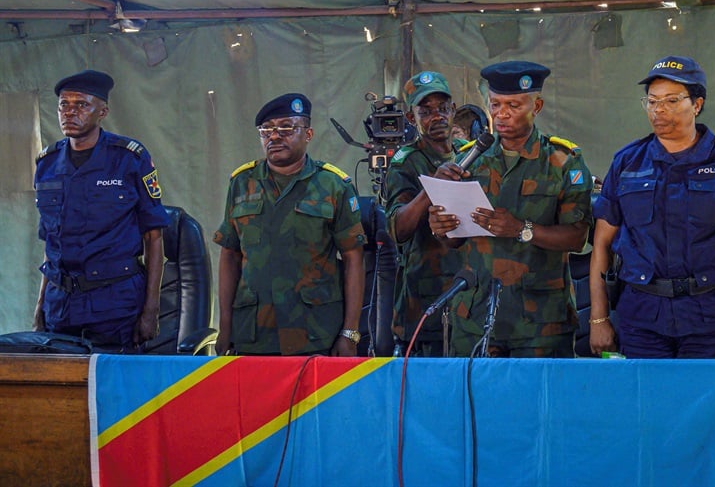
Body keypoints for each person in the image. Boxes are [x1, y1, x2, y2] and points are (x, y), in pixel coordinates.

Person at [588, 56, 715, 359]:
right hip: (641, 318)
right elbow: (602, 243)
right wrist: (598, 318)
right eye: (651, 101)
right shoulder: (627, 162)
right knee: (647, 405)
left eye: (672, 101)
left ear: (697, 104)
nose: (659, 110)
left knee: (707, 404)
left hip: (711, 318)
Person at [428, 61, 593, 357]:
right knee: (474, 401)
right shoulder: (470, 159)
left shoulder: (562, 161)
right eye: (495, 104)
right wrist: (441, 227)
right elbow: (454, 241)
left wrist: (522, 229)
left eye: (513, 105)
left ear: (537, 105)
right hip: (475, 316)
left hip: (540, 322)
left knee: (538, 402)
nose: (501, 114)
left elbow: (576, 238)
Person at [213, 93, 366, 356]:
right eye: (266, 130)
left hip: (316, 332)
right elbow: (230, 254)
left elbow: (354, 257)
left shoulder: (332, 185)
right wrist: (225, 325)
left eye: (286, 127)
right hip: (253, 333)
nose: (274, 136)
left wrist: (350, 333)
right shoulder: (241, 182)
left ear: (308, 134)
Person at [34, 70, 170, 352]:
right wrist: (40, 305)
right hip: (60, 304)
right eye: (64, 105)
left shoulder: (129, 158)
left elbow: (154, 238)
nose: (70, 112)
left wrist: (151, 311)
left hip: (114, 302)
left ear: (102, 112)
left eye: (81, 105)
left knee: (113, 388)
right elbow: (51, 242)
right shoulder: (47, 163)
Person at [385, 71, 467, 355]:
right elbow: (397, 229)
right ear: (411, 118)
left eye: (443, 109)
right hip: (427, 299)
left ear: (453, 110)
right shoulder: (405, 163)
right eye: (426, 111)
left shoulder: (470, 153)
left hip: (470, 295)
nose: (437, 117)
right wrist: (432, 186)